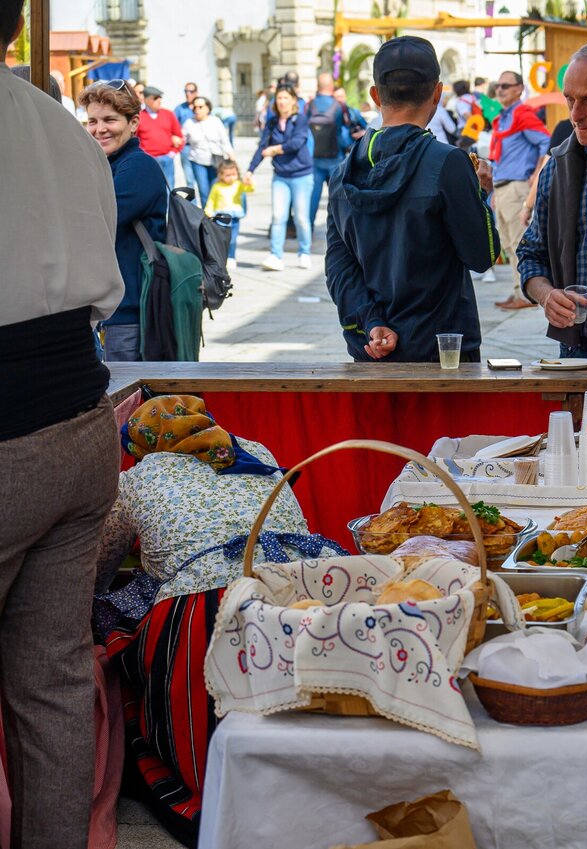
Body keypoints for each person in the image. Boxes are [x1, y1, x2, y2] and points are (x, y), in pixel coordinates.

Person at [95, 395, 346, 847]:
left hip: (210, 609)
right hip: (304, 590)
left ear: (140, 445)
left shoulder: (137, 478)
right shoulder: (254, 451)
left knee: (115, 620)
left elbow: (100, 569)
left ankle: (204, 758)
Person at [0, 2, 124, 847]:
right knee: (52, 682)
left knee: (52, 680)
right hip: (81, 424)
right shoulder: (61, 124)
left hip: (11, 434)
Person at [325, 35, 500, 363]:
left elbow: (339, 268)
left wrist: (372, 322)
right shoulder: (448, 162)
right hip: (442, 352)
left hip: (373, 350)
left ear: (375, 95)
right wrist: (480, 194)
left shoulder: (342, 173)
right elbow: (482, 255)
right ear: (437, 93)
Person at [517, 42, 587, 359]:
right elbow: (531, 254)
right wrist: (547, 295)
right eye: (570, 99)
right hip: (579, 352)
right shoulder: (557, 168)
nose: (575, 115)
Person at [79, 80, 167, 362]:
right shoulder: (106, 165)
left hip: (129, 316)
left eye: (110, 120)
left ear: (134, 123)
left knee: (123, 389)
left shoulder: (139, 166)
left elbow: (92, 220)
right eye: (92, 121)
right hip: (108, 313)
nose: (99, 129)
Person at [489, 70, 550, 310]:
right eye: (498, 85)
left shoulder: (522, 113)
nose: (500, 89)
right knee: (507, 243)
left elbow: (546, 141)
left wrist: (536, 173)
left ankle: (525, 295)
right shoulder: (505, 116)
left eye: (505, 85)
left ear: (519, 88)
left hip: (516, 186)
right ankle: (518, 291)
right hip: (503, 186)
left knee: (518, 244)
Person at [245, 82, 314, 271]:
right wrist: (250, 170)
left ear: (293, 100)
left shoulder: (300, 119)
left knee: (301, 218)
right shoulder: (272, 122)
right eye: (279, 98)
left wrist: (275, 150)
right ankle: (275, 256)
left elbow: (298, 142)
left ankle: (304, 252)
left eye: (286, 98)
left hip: (301, 175)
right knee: (278, 216)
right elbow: (262, 147)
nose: (282, 101)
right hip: (280, 176)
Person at [307, 72, 345, 226]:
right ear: (332, 87)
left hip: (314, 158)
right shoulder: (338, 106)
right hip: (335, 158)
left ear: (318, 86)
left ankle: (308, 229)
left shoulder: (310, 105)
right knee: (338, 199)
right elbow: (342, 131)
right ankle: (339, 230)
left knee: (312, 197)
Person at [183, 95, 234, 207]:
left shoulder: (215, 121)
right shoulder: (189, 123)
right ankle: (207, 216)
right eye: (195, 107)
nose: (197, 110)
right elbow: (181, 139)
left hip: (216, 161)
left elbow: (225, 141)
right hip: (198, 160)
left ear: (207, 108)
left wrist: (231, 156)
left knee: (216, 189)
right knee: (204, 191)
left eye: (200, 107)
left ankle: (218, 213)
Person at [204, 158, 254, 270]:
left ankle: (231, 257)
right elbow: (211, 200)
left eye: (234, 174)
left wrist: (249, 182)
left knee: (233, 239)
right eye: (227, 175)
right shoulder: (217, 186)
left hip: (234, 217)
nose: (231, 177)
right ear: (220, 175)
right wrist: (208, 212)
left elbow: (249, 189)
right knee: (221, 239)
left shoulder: (238, 184)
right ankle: (221, 258)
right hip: (220, 217)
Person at [137, 85, 184, 188]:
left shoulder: (169, 114)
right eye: (155, 98)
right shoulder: (139, 117)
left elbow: (179, 137)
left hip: (167, 159)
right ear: (145, 100)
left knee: (169, 188)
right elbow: (134, 140)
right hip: (148, 160)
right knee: (150, 188)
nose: (159, 100)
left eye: (160, 97)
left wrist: (172, 153)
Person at [174, 80, 198, 187]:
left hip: (200, 147)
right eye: (186, 91)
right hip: (186, 147)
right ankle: (192, 198)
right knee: (189, 179)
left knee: (202, 178)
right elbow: (173, 126)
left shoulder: (201, 106)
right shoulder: (180, 109)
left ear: (196, 92)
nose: (188, 94)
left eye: (191, 91)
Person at [333, 86, 367, 151]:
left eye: (341, 96)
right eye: (337, 97)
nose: (340, 100)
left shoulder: (354, 112)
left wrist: (361, 133)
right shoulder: (330, 115)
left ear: (345, 96)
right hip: (337, 152)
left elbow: (366, 128)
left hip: (353, 150)